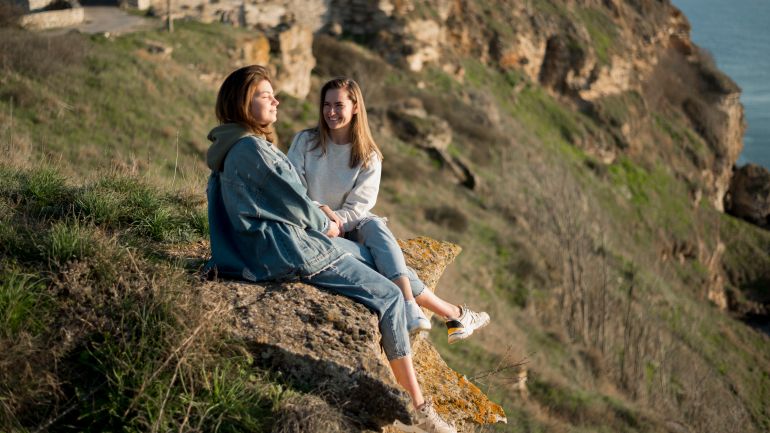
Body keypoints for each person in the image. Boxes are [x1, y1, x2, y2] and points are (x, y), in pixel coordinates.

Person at [205, 65, 456, 433]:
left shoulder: (230, 145)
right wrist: (326, 220)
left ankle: (443, 310)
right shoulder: (253, 150)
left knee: (373, 255)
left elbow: (268, 200)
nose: (276, 100)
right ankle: (419, 408)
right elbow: (295, 204)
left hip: (268, 244)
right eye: (265, 95)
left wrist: (318, 215)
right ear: (244, 103)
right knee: (386, 296)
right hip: (288, 248)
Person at [287, 77, 489, 344]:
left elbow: (359, 208)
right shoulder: (305, 141)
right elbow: (292, 189)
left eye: (338, 105)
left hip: (349, 226)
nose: (331, 112)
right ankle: (450, 313)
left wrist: (336, 221)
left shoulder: (368, 155)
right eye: (326, 105)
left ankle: (411, 305)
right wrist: (321, 214)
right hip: (312, 226)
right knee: (382, 260)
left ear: (356, 106)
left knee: (374, 226)